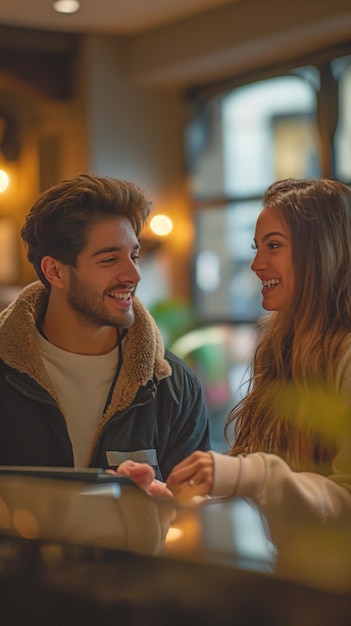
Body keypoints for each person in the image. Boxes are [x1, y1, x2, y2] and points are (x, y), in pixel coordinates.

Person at [0, 173, 210, 492]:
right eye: (110, 259)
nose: (133, 274)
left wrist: (161, 506)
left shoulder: (174, 386)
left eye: (134, 256)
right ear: (55, 271)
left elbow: (195, 514)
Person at [166, 178, 351, 525]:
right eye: (256, 248)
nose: (256, 264)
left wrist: (248, 475)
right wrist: (179, 500)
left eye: (274, 245)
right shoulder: (279, 349)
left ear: (321, 251)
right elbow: (266, 488)